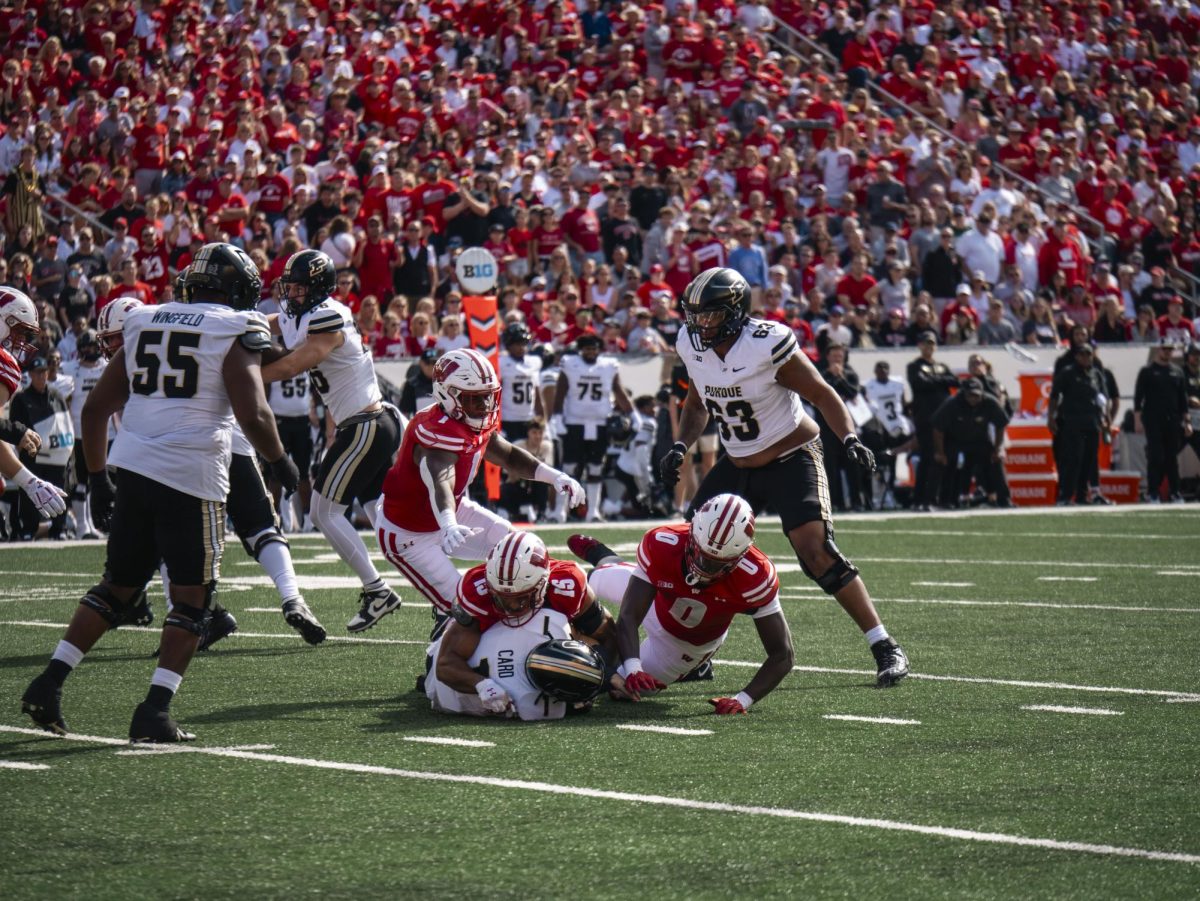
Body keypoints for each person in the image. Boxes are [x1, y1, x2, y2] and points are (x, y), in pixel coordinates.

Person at [20, 243, 299, 743]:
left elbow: (96, 408)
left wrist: (99, 476)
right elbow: (253, 413)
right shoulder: (232, 326)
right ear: (236, 290)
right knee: (194, 599)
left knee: (117, 587)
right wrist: (280, 460)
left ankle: (49, 681)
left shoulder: (143, 319)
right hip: (191, 474)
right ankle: (154, 710)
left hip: (133, 469)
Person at [659, 267, 908, 687]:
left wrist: (848, 438)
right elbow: (698, 403)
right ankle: (696, 654)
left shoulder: (766, 344)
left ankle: (884, 644)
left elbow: (822, 393)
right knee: (693, 552)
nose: (700, 324)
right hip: (738, 460)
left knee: (817, 554)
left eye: (711, 315)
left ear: (736, 313)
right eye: (695, 315)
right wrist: (681, 446)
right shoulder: (692, 343)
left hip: (791, 452)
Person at [376, 347, 585, 633]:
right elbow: (441, 479)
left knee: (518, 549)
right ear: (447, 395)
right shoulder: (434, 429)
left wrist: (554, 476)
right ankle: (441, 655)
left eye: (489, 396)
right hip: (408, 533)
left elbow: (508, 455)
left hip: (452, 512)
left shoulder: (471, 420)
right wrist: (448, 523)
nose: (485, 405)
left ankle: (537, 625)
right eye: (475, 398)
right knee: (466, 610)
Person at [264, 249, 405, 634]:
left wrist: (242, 378)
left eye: (297, 288)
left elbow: (294, 364)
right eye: (288, 287)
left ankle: (378, 590)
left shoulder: (329, 315)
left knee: (323, 513)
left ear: (317, 289)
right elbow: (271, 322)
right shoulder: (302, 313)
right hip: (363, 424)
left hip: (365, 425)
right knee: (384, 519)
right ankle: (439, 591)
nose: (290, 294)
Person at [570, 493, 795, 714]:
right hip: (657, 600)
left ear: (740, 556)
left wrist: (743, 699)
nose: (703, 566)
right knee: (587, 582)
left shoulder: (755, 576)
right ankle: (605, 558)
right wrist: (633, 667)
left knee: (621, 690)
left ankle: (695, 668)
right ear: (692, 534)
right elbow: (629, 616)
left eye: (716, 563)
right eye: (701, 554)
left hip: (683, 645)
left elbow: (783, 654)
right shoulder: (664, 543)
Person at [425, 531, 622, 719]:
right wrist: (482, 685)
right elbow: (446, 663)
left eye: (520, 599)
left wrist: (604, 677)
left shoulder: (566, 584)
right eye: (502, 598)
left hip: (539, 645)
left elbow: (607, 633)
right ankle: (444, 621)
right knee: (432, 663)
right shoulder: (478, 591)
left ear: (542, 583)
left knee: (573, 643)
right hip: (489, 648)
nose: (510, 608)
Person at [0, 289, 67, 530]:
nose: (21, 341)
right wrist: (14, 430)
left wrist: (28, 481)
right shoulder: (4, 366)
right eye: (18, 331)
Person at [552, 332, 633, 522]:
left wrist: (632, 414)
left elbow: (618, 391)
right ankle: (560, 511)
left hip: (599, 423)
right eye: (587, 348)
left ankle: (593, 512)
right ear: (581, 350)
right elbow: (561, 391)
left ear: (599, 350)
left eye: (594, 348)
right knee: (569, 467)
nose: (590, 352)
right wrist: (556, 416)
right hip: (574, 422)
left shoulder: (607, 366)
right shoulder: (570, 364)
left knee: (596, 467)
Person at [8, 354, 73, 539]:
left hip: (57, 454)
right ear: (31, 375)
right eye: (37, 373)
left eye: (44, 372)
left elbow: (65, 422)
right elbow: (15, 427)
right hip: (33, 455)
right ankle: (29, 529)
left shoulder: (57, 395)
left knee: (60, 489)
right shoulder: (21, 398)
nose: (42, 376)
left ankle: (59, 529)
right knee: (30, 492)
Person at [60, 325, 112, 539]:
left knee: (95, 480)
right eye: (88, 346)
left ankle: (91, 524)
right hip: (79, 433)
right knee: (81, 480)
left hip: (104, 432)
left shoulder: (105, 367)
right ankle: (82, 526)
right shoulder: (70, 369)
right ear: (80, 349)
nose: (92, 349)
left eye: (94, 345)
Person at [931, 377, 1011, 507]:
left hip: (980, 440)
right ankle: (945, 501)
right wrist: (940, 452)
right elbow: (937, 428)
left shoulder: (990, 402)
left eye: (976, 395)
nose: (973, 399)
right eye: (970, 395)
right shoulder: (952, 403)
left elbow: (1000, 425)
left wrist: (998, 448)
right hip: (955, 440)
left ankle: (1004, 500)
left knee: (996, 461)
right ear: (963, 393)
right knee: (946, 463)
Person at [1047, 344, 1108, 505]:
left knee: (1089, 460)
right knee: (1073, 460)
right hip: (1072, 422)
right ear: (1076, 356)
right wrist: (1051, 417)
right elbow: (1054, 396)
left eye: (1088, 354)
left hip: (1092, 421)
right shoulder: (1067, 373)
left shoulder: (1096, 374)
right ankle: (1065, 496)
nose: (1085, 358)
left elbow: (1102, 398)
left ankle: (1081, 496)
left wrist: (1105, 418)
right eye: (1082, 355)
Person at [906, 331, 959, 510]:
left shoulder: (942, 365)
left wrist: (935, 380)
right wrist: (941, 381)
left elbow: (954, 381)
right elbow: (919, 383)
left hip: (946, 420)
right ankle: (922, 499)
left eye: (932, 343)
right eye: (925, 343)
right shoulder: (914, 366)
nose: (929, 347)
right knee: (928, 458)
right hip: (926, 420)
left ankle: (945, 499)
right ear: (920, 345)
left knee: (948, 459)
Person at [1134, 339, 1191, 503]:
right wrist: (1138, 420)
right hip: (1153, 420)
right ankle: (1152, 492)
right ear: (1159, 350)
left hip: (1172, 420)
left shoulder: (1177, 371)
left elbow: (1183, 400)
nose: (1167, 352)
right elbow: (1139, 398)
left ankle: (1175, 492)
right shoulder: (1147, 371)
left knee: (1171, 458)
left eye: (1170, 350)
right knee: (1156, 456)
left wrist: (1187, 421)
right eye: (1165, 349)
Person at [862, 360, 912, 509]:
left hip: (896, 427)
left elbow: (903, 404)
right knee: (879, 465)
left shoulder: (897, 383)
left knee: (894, 463)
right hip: (878, 430)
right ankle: (880, 497)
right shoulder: (868, 386)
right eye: (880, 368)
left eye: (885, 367)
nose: (883, 370)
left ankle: (893, 495)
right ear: (874, 370)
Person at [497, 322, 544, 441]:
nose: (521, 347)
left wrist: (542, 418)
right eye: (517, 344)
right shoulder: (501, 363)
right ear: (508, 345)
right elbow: (496, 395)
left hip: (529, 419)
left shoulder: (534, 362)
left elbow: (537, 393)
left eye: (524, 343)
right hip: (508, 419)